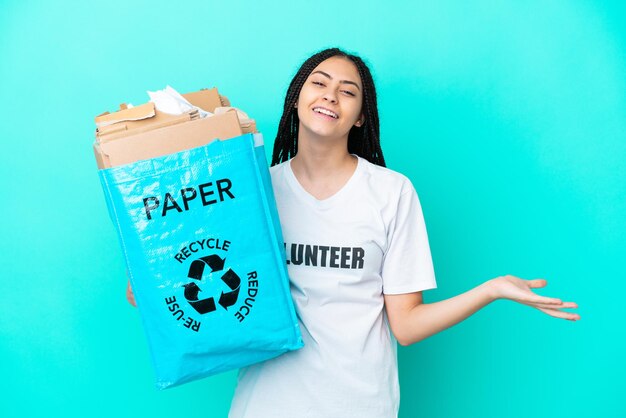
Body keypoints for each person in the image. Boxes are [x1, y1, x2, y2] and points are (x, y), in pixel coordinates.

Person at [127, 47, 579, 418]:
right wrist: (152, 275)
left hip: (360, 407)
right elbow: (191, 290)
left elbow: (406, 325)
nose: (331, 96)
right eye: (319, 83)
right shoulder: (253, 191)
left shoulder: (391, 193)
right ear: (297, 99)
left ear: (361, 116)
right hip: (265, 406)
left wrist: (491, 290)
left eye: (348, 92)